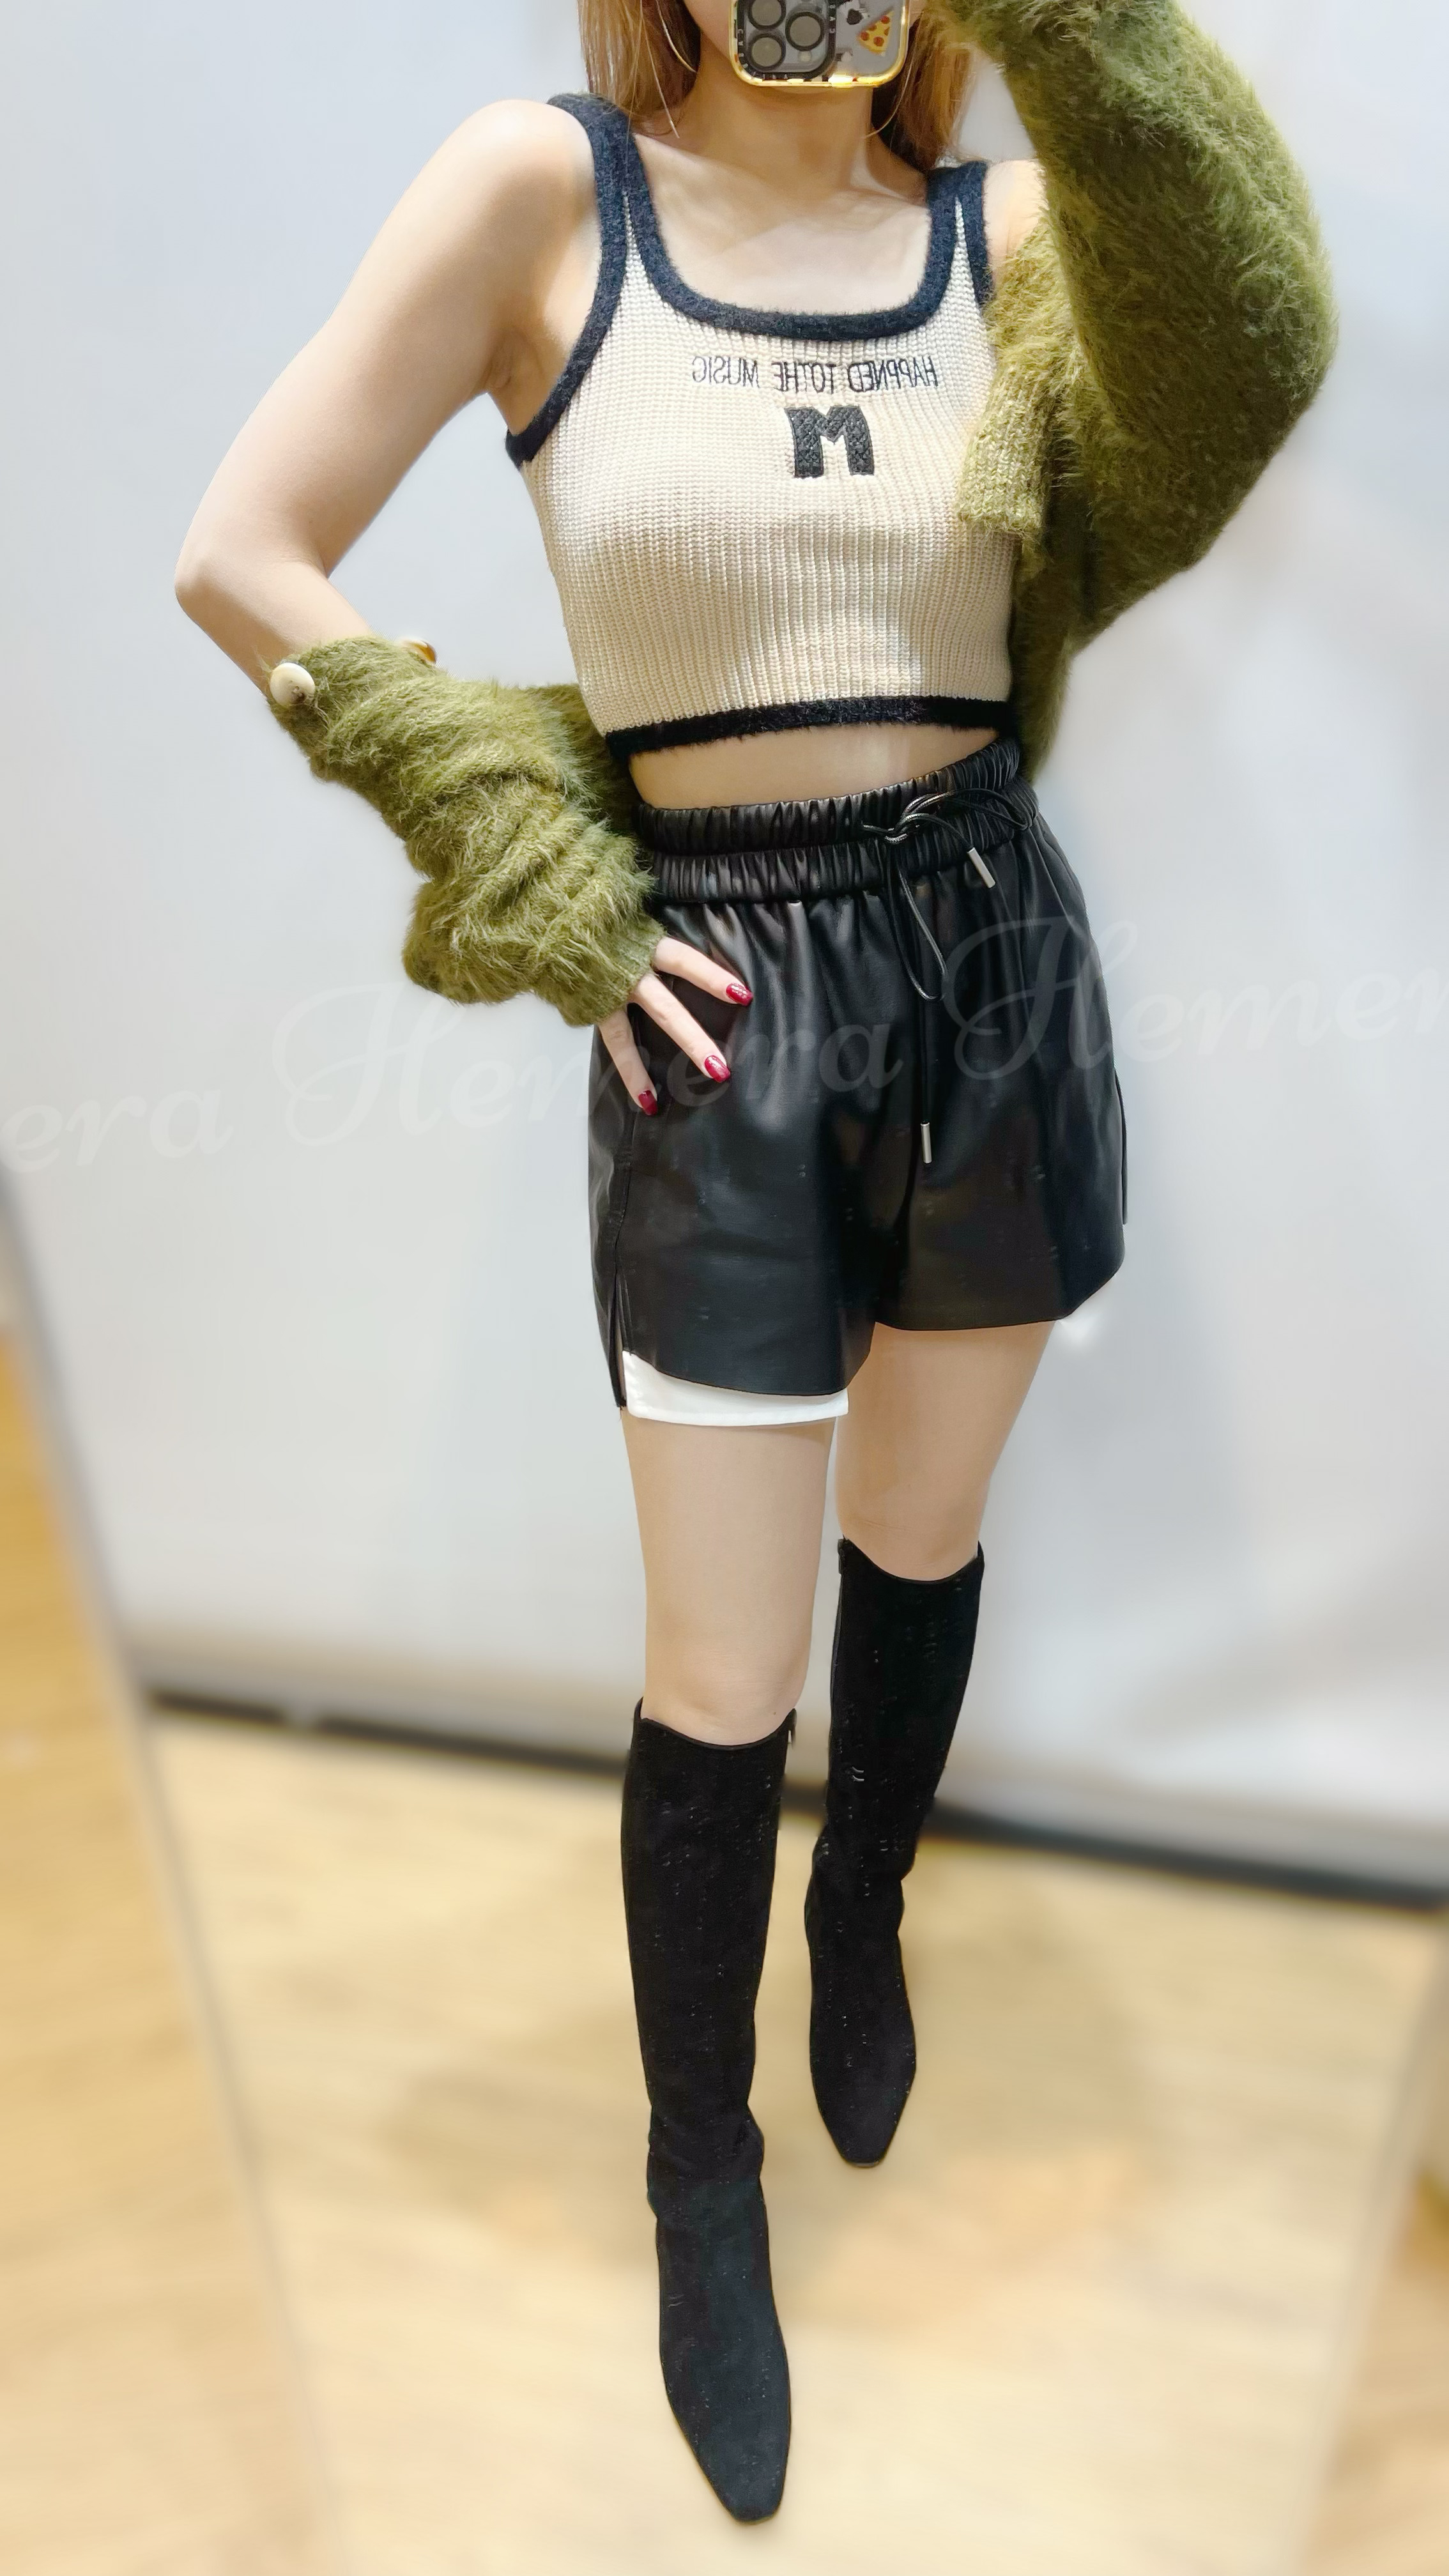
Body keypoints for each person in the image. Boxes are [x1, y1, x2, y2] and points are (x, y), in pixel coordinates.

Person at [175, 0, 1335, 2522]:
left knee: (919, 1533)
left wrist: (1067, 31)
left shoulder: (1008, 235)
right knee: (720, 1662)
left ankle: (867, 1907)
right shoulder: (544, 195)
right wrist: (513, 836)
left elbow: (1254, 341)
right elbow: (240, 548)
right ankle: (703, 2180)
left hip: (990, 953)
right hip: (718, 986)